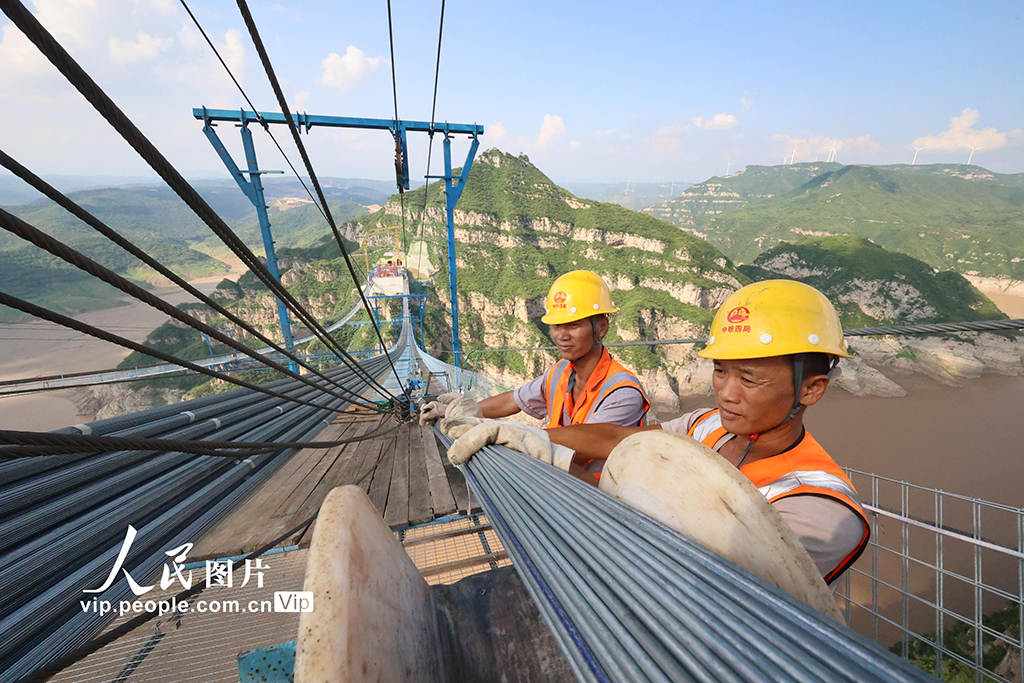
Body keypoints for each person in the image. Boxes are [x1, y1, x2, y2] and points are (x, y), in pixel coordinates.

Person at [444, 280, 870, 587]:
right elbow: (624, 441)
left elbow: (707, 584)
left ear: (811, 389)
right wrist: (518, 436)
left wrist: (538, 447)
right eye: (720, 371)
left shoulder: (821, 508)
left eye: (750, 379)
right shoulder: (705, 425)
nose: (725, 392)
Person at [423, 270, 650, 476]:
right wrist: (466, 414)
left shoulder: (622, 393)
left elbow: (579, 451)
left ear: (601, 326)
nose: (562, 335)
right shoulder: (561, 372)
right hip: (558, 482)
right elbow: (513, 400)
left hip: (601, 500)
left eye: (573, 325)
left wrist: (510, 433)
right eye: (556, 326)